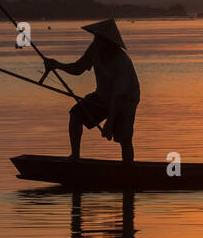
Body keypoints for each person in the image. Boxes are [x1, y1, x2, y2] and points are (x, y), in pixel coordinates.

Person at [43, 19, 140, 162]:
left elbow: (118, 96)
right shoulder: (95, 49)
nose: (96, 41)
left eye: (100, 38)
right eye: (96, 37)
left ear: (109, 42)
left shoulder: (121, 62)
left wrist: (109, 123)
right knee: (75, 114)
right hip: (102, 96)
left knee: (124, 138)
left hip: (125, 102)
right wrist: (57, 65)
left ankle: (128, 170)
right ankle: (75, 156)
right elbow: (78, 68)